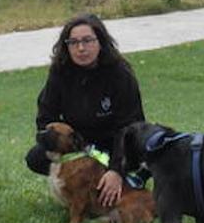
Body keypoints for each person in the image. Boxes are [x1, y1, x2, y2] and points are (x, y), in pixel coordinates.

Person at [28, 14, 146, 205]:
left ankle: (126, 179)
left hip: (114, 145)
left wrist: (116, 169)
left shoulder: (120, 74)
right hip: (79, 145)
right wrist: (63, 149)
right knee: (36, 157)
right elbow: (45, 115)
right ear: (66, 46)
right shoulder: (60, 71)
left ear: (101, 42)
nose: (81, 48)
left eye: (87, 41)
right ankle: (76, 186)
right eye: (73, 42)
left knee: (122, 164)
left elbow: (131, 127)